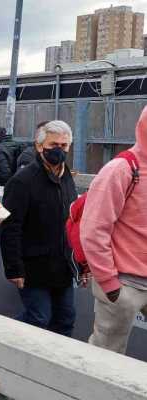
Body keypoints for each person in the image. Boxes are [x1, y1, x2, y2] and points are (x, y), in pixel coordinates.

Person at [0, 120, 77, 336]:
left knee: (65, 319)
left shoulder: (67, 176)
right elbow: (10, 227)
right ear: (39, 145)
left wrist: (79, 262)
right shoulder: (23, 181)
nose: (59, 150)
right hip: (33, 266)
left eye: (64, 145)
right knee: (38, 317)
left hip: (62, 266)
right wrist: (14, 268)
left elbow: (72, 220)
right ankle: (3, 338)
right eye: (54, 145)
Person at [82, 107, 147, 354]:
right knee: (106, 356)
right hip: (122, 282)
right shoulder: (121, 169)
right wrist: (110, 284)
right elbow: (93, 231)